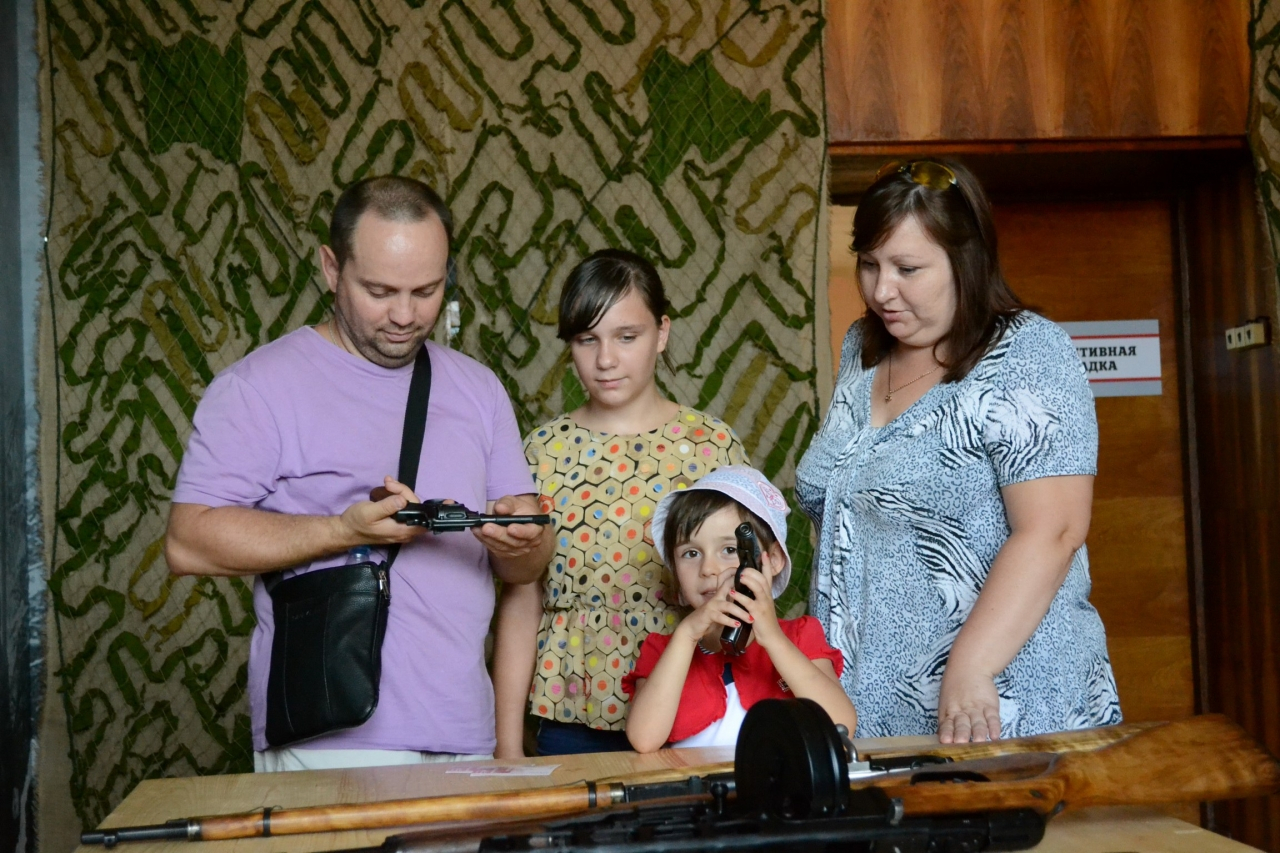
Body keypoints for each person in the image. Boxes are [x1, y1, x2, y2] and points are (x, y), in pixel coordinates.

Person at [164, 176, 553, 771]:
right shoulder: (256, 388)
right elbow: (187, 542)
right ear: (331, 268)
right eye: (379, 291)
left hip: (464, 730)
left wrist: (523, 539)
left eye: (426, 290)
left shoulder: (479, 389)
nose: (405, 315)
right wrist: (342, 531)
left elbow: (525, 567)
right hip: (331, 731)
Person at [795, 159, 1121, 743]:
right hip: (870, 711)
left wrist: (972, 669)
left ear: (965, 261)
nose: (881, 290)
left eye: (907, 268)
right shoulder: (862, 348)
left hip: (998, 706)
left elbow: (1054, 530)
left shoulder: (1027, 352)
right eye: (868, 264)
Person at [491, 249, 749, 758]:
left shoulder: (711, 447)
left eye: (626, 337)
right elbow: (522, 599)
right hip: (570, 711)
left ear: (662, 333)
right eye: (587, 340)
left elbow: (745, 591)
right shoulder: (543, 452)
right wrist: (506, 745)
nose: (605, 360)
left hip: (694, 710)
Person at [623, 466, 856, 752]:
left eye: (730, 550)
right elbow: (643, 740)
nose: (708, 568)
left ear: (773, 561)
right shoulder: (662, 650)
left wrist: (772, 638)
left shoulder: (800, 637)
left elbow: (841, 723)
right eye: (691, 553)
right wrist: (686, 635)